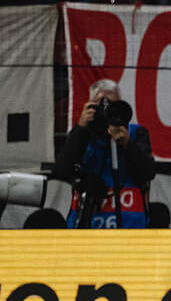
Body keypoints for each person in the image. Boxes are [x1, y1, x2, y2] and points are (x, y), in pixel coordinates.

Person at [53, 80, 154, 229]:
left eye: (112, 105)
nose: (106, 111)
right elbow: (61, 172)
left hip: (129, 226)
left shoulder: (135, 133)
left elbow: (148, 172)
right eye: (101, 105)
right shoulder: (83, 134)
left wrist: (127, 144)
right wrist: (81, 128)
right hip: (86, 225)